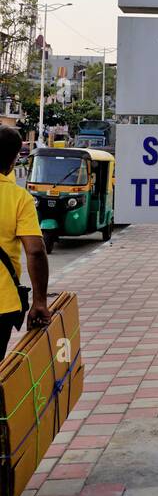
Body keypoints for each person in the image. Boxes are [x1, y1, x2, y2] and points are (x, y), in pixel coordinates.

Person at [0, 126, 52, 360]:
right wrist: (39, 300)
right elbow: (35, 251)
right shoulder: (19, 197)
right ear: (12, 163)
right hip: (2, 303)